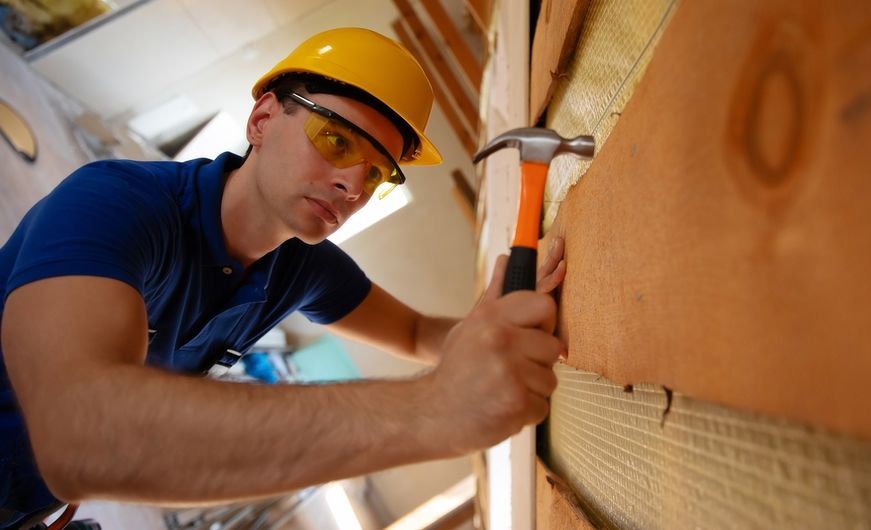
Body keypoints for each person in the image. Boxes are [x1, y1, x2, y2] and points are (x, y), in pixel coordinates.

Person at [0, 28, 566, 528]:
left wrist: (489, 331)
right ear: (262, 119)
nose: (353, 185)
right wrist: (433, 409)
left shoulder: (301, 267)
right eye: (336, 140)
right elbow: (81, 436)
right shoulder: (114, 204)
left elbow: (417, 332)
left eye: (377, 174)